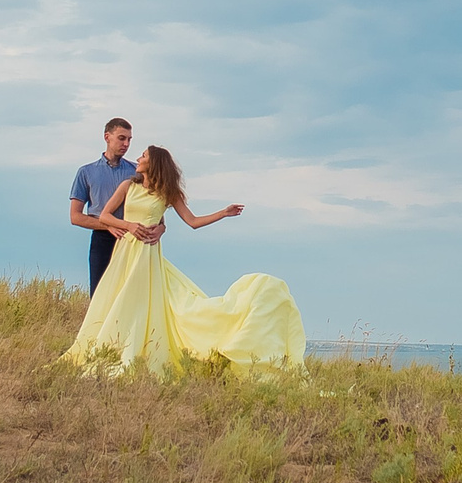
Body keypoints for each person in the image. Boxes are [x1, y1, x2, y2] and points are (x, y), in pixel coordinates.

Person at [63, 144, 304, 375]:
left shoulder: (168, 194)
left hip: (148, 256)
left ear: (153, 163)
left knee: (156, 305)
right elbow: (104, 215)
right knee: (114, 301)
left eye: (143, 156)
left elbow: (193, 222)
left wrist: (223, 213)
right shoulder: (128, 186)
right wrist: (128, 226)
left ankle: (146, 351)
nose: (138, 159)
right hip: (125, 252)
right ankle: (111, 348)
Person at [68, 118, 158, 296]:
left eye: (129, 140)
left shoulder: (138, 171)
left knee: (132, 296)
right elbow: (75, 217)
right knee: (100, 294)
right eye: (121, 138)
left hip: (134, 240)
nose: (126, 144)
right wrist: (109, 225)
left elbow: (155, 209)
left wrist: (160, 229)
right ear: (107, 137)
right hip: (103, 240)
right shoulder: (86, 172)